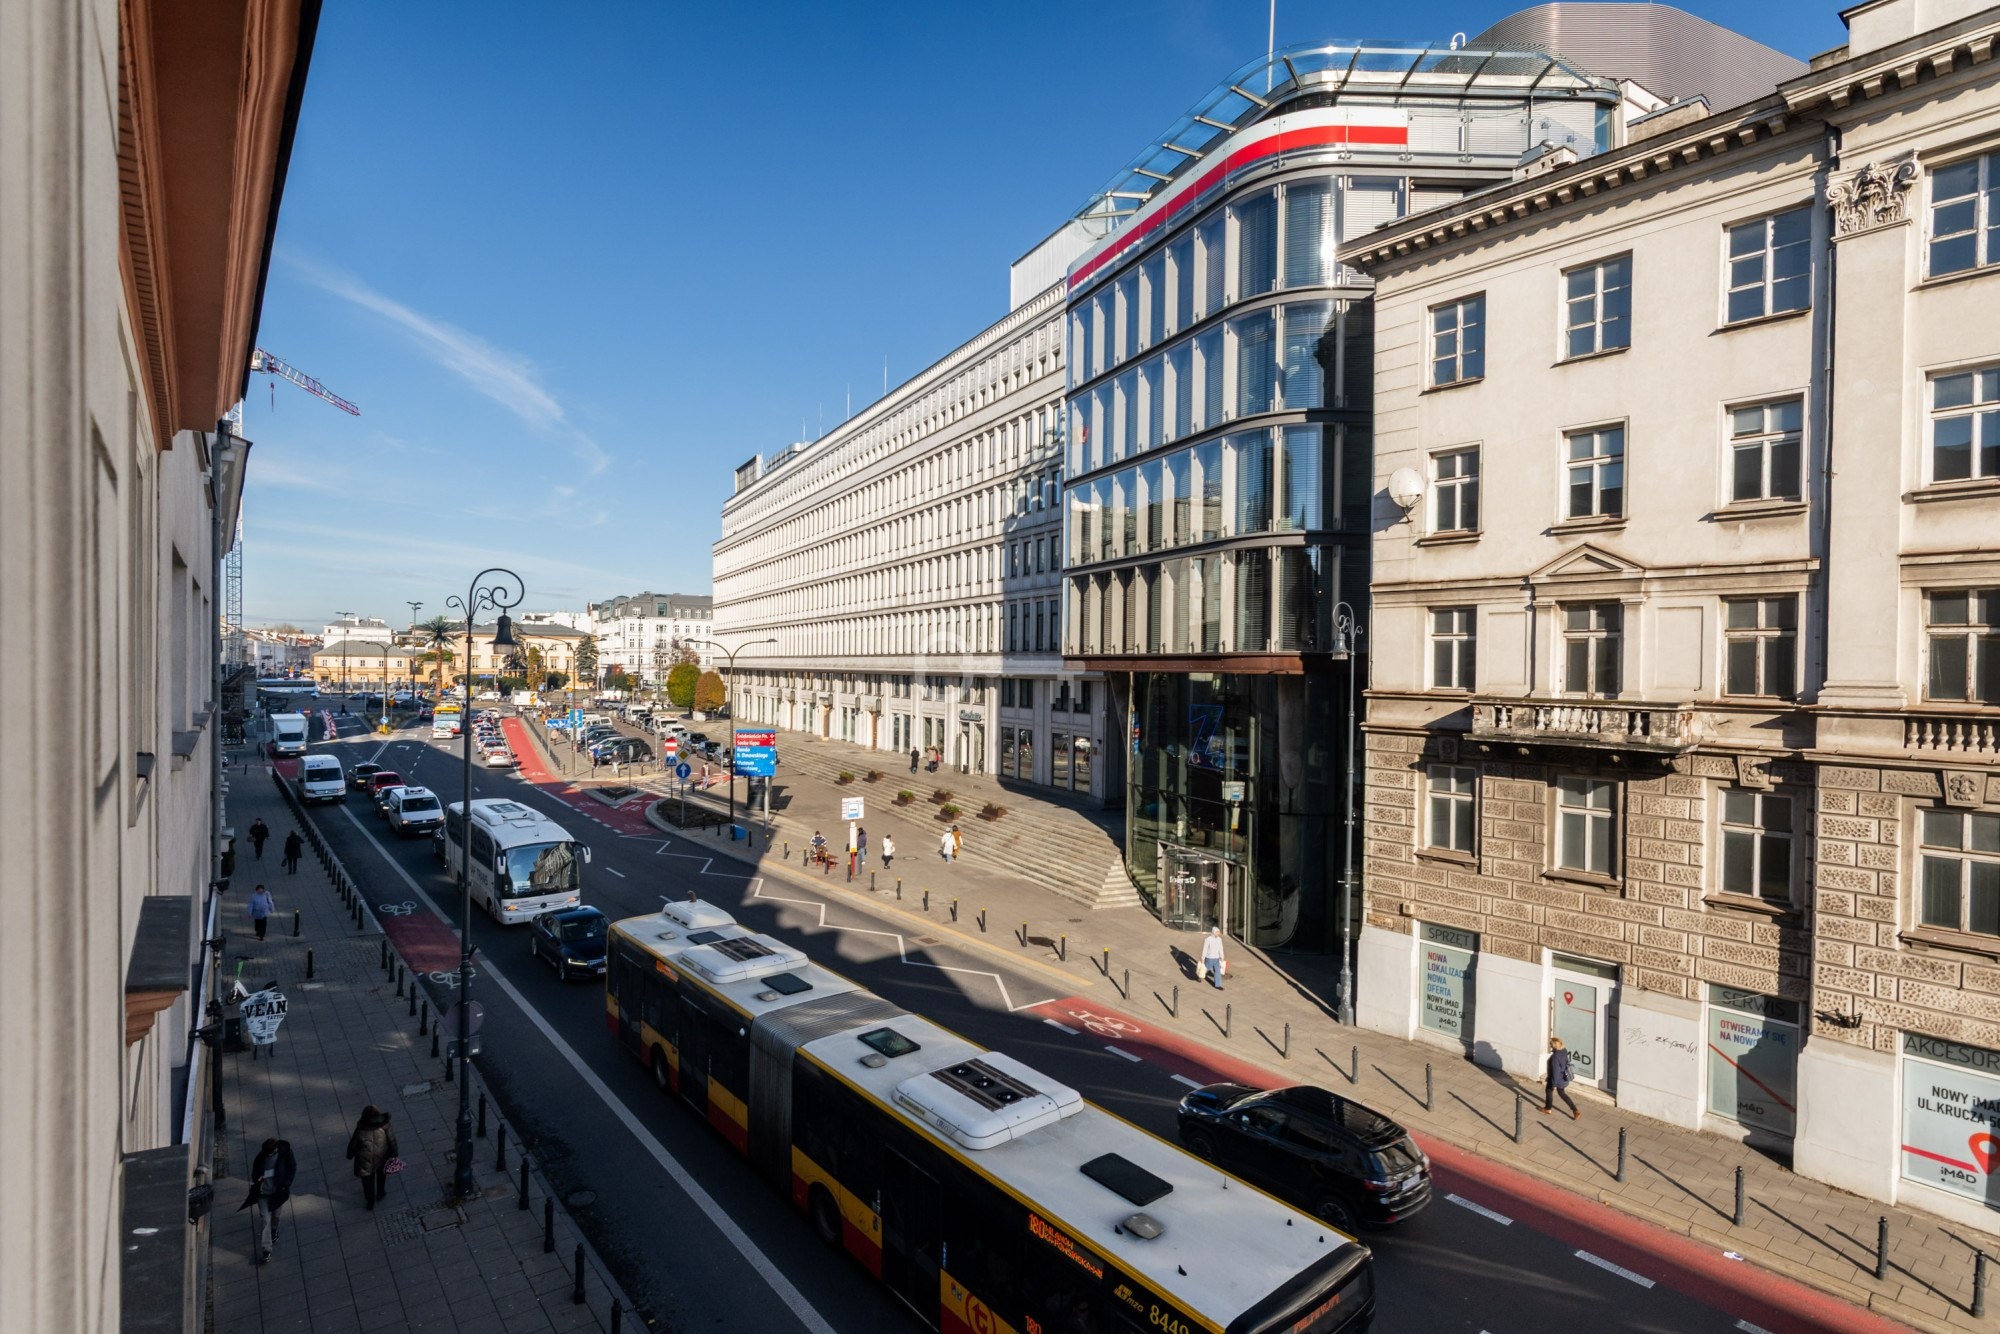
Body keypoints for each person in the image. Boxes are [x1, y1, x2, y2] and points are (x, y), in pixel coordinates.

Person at [237, 1137, 296, 1263]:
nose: (267, 1155)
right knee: (265, 1220)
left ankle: (274, 1230)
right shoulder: (261, 1157)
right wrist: (257, 1179)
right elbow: (255, 1173)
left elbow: (292, 1168)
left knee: (276, 1215)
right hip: (263, 1194)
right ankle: (266, 1249)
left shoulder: (284, 1154)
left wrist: (286, 1184)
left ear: (275, 1150)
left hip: (277, 1193)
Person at [345, 1106, 398, 1209]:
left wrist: (349, 1155)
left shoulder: (361, 1128)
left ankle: (370, 1201)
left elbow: (353, 1144)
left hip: (365, 1159)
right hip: (382, 1155)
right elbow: (391, 1139)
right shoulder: (385, 1124)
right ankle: (381, 1192)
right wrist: (394, 1153)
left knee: (367, 1181)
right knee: (381, 1174)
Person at [1542, 1037, 1580, 1120]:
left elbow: (1555, 1071)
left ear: (1554, 1045)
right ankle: (1575, 1110)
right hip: (1563, 1078)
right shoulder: (1564, 1051)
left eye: (1551, 1044)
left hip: (1556, 1079)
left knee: (1549, 1090)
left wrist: (1553, 1084)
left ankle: (1548, 1109)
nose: (1549, 1045)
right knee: (1562, 1093)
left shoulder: (1555, 1057)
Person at [1201, 926, 1226, 990]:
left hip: (1216, 958)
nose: (1218, 933)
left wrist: (1222, 956)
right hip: (1209, 958)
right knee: (1205, 969)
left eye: (1219, 932)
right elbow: (1205, 949)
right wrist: (1203, 958)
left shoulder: (1219, 939)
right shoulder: (1208, 939)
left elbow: (1221, 948)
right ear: (1214, 932)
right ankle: (1199, 976)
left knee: (1217, 971)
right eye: (1217, 932)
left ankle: (1217, 985)